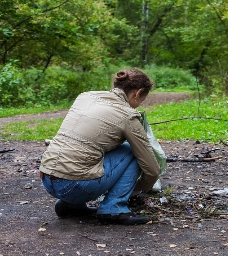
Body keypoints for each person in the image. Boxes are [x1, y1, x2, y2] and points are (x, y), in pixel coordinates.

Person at [39, 69, 162, 225]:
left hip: (47, 179)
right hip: (75, 187)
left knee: (86, 150)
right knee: (132, 150)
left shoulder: (85, 97)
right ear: (138, 93)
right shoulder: (127, 115)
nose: (138, 106)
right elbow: (152, 169)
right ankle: (114, 207)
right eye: (141, 101)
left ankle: (71, 205)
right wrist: (137, 188)